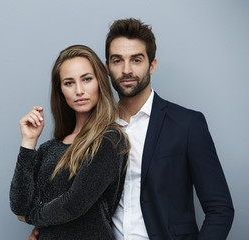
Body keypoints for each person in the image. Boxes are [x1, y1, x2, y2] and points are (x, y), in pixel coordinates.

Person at [29, 18, 234, 240]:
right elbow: (71, 202)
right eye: (117, 61)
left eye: (136, 60)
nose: (126, 70)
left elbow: (220, 209)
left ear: (152, 65)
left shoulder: (187, 124)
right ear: (107, 68)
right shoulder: (93, 131)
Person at [10, 45, 130, 239]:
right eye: (69, 83)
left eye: (87, 79)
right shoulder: (50, 148)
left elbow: (74, 204)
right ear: (61, 91)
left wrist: (32, 216)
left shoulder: (110, 140)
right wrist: (28, 142)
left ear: (100, 82)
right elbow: (19, 206)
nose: (79, 90)